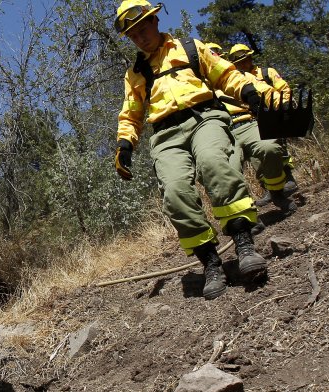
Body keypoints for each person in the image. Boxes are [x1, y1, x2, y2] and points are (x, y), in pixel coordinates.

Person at [113, 0, 280, 300]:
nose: (140, 37)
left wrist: (249, 92)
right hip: (165, 135)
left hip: (204, 118)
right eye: (133, 35)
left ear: (155, 21)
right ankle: (211, 263)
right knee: (175, 194)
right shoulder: (136, 73)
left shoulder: (190, 48)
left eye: (143, 28)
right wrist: (125, 144)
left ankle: (244, 244)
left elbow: (224, 74)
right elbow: (131, 113)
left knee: (215, 163)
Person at [226, 43, 298, 203]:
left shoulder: (265, 73)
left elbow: (283, 89)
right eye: (239, 62)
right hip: (254, 115)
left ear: (251, 58)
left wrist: (285, 105)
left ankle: (288, 178)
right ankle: (269, 188)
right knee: (259, 157)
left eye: (245, 60)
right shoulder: (234, 80)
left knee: (277, 148)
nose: (243, 64)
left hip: (273, 112)